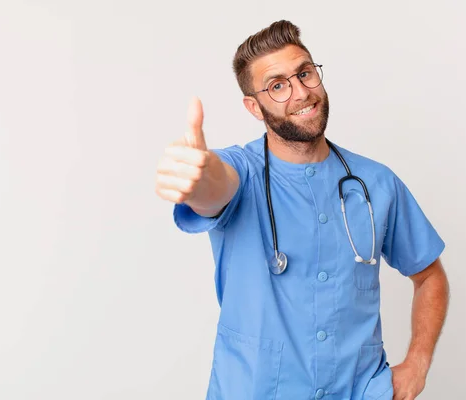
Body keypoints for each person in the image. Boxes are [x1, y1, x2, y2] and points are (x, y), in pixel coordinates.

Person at [155, 20, 450, 400]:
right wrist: (198, 179)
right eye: (277, 85)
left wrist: (417, 364)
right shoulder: (240, 171)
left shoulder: (376, 183)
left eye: (305, 73)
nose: (301, 93)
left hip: (359, 391)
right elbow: (216, 187)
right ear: (254, 107)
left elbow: (430, 277)